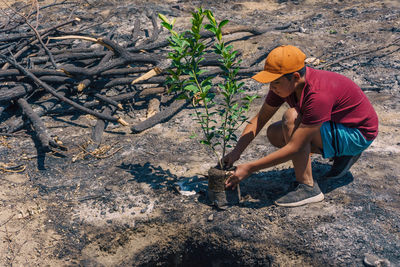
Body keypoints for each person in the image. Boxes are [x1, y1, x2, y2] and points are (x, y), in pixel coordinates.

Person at [223, 45, 378, 207]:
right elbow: (259, 119)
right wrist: (236, 152)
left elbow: (296, 146)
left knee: (291, 118)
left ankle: (308, 188)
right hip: (339, 126)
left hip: (358, 134)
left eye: (275, 82)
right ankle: (342, 155)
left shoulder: (318, 93)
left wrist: (250, 168)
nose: (271, 88)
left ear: (295, 76)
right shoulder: (284, 87)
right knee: (274, 132)